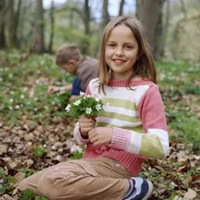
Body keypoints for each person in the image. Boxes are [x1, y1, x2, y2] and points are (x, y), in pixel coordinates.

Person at [17, 16, 169, 200]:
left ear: (139, 52)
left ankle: (131, 189)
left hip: (119, 167)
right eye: (112, 45)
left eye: (128, 47)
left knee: (52, 182)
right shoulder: (95, 86)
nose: (119, 52)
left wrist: (114, 136)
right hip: (91, 162)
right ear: (104, 49)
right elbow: (82, 137)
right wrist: (82, 130)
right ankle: (98, 191)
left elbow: (160, 146)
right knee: (24, 187)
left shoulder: (146, 90)